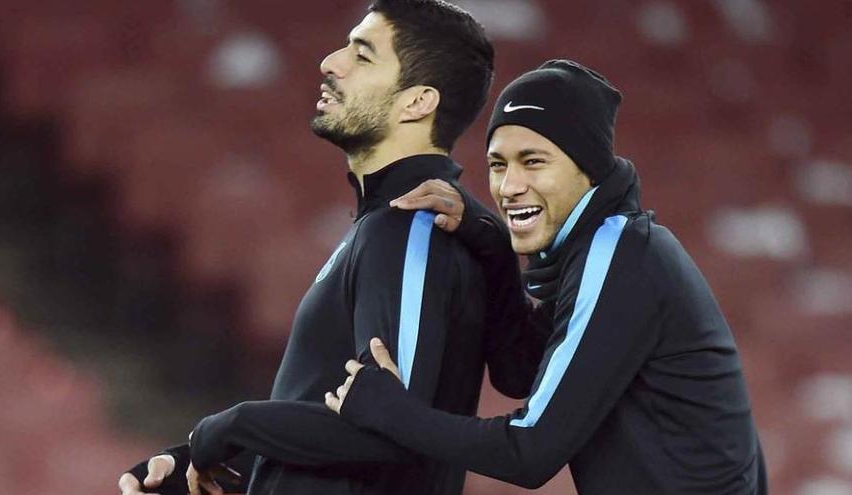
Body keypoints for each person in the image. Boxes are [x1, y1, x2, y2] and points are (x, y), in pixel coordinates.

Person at [118, 2, 554, 495]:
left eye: (362, 55)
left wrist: (228, 427)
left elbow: (397, 427)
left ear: (417, 102)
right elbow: (347, 425)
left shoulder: (410, 226)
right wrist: (211, 462)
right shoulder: (391, 226)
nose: (330, 62)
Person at [326, 59, 768, 494]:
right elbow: (518, 370)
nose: (509, 186)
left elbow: (530, 452)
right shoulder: (607, 249)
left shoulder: (618, 253)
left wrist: (390, 411)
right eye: (498, 165)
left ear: (587, 168)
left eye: (533, 161)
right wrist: (493, 244)